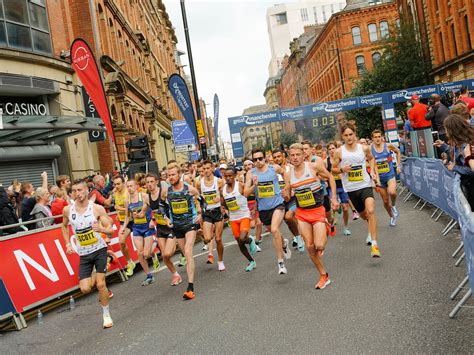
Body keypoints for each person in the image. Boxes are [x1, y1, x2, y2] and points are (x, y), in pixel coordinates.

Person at [284, 143, 339, 289]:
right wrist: (286, 193)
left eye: (298, 155)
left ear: (303, 155)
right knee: (310, 246)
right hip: (302, 213)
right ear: (289, 157)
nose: (295, 158)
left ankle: (327, 225)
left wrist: (333, 198)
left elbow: (331, 178)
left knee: (319, 245)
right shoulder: (288, 174)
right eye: (292, 155)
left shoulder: (313, 167)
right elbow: (287, 192)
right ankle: (323, 275)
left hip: (317, 210)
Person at [62, 180, 114, 328]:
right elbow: (63, 226)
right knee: (85, 289)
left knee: (100, 284)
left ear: (86, 191)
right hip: (84, 253)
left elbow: (110, 229)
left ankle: (106, 315)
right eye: (74, 191)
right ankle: (97, 272)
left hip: (99, 250)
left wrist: (102, 230)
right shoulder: (68, 210)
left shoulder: (97, 209)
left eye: (79, 190)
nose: (77, 193)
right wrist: (67, 243)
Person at [331, 121, 381, 257]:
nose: (349, 137)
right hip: (351, 189)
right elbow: (333, 170)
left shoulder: (364, 148)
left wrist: (373, 172)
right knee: (365, 216)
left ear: (355, 134)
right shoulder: (338, 152)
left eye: (351, 134)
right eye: (346, 135)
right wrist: (342, 169)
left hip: (365, 184)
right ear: (342, 136)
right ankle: (370, 229)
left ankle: (375, 244)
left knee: (370, 211)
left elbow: (371, 159)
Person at [244, 148, 291, 275]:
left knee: (275, 229)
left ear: (265, 158)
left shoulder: (273, 168)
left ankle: (280, 263)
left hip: (278, 204)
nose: (258, 161)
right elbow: (245, 193)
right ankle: (284, 244)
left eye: (260, 158)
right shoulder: (250, 173)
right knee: (275, 232)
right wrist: (254, 185)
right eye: (255, 159)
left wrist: (286, 187)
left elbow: (286, 173)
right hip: (264, 209)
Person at [162, 162, 202, 300]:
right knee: (184, 252)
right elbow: (161, 205)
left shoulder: (189, 189)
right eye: (168, 175)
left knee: (188, 250)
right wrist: (166, 218)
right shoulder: (166, 191)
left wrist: (200, 214)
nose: (171, 177)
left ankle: (190, 287)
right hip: (177, 226)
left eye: (173, 174)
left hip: (190, 224)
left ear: (179, 175)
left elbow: (202, 201)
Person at [146, 173, 182, 286]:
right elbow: (151, 210)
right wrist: (151, 219)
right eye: (147, 182)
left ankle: (179, 244)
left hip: (170, 226)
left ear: (156, 182)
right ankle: (176, 275)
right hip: (160, 229)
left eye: (152, 182)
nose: (150, 184)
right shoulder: (147, 197)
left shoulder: (163, 193)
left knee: (167, 253)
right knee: (165, 256)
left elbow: (171, 205)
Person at [222, 167, 258, 271]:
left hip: (244, 216)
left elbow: (249, 194)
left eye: (230, 176)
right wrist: (223, 208)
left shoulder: (240, 185)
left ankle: (250, 240)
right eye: (226, 176)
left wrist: (254, 185)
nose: (228, 178)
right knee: (240, 242)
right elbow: (225, 203)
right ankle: (251, 261)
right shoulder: (223, 189)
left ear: (234, 176)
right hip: (233, 218)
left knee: (243, 238)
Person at [122, 179, 156, 286]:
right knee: (139, 254)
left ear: (136, 186)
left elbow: (154, 208)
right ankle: (149, 276)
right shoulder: (127, 201)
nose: (129, 188)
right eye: (127, 186)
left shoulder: (144, 196)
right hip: (136, 228)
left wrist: (152, 219)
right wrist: (123, 227)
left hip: (147, 227)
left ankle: (155, 243)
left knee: (146, 254)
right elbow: (128, 216)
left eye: (131, 186)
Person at [272, 148, 303, 252]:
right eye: (275, 157)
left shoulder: (291, 168)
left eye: (279, 156)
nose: (277, 159)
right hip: (280, 201)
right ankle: (298, 237)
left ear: (284, 157)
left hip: (293, 197)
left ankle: (299, 236)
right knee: (288, 222)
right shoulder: (272, 171)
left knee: (289, 217)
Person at [198, 160, 226, 270]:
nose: (206, 171)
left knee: (218, 239)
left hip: (217, 211)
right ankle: (203, 236)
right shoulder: (199, 182)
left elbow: (225, 195)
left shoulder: (219, 181)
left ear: (212, 168)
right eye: (203, 169)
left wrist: (220, 198)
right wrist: (199, 208)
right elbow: (198, 196)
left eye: (208, 168)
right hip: (207, 213)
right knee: (208, 238)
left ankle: (220, 261)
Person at [370, 130, 401, 226]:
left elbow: (398, 151)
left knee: (392, 192)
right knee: (385, 201)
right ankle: (392, 216)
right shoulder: (370, 148)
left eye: (379, 136)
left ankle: (394, 205)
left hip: (390, 174)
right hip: (379, 178)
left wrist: (398, 166)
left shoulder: (387, 146)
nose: (377, 139)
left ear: (381, 137)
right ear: (372, 138)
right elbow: (370, 161)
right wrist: (372, 172)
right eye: (375, 137)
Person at [112, 175, 136, 277]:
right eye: (115, 184)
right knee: (121, 242)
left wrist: (120, 209)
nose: (116, 186)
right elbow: (116, 206)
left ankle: (153, 253)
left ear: (123, 183)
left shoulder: (128, 192)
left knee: (144, 247)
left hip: (135, 220)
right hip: (124, 222)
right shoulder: (115, 194)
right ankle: (130, 262)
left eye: (118, 184)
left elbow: (132, 208)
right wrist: (118, 214)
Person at [327, 142, 351, 236]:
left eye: (333, 148)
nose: (332, 150)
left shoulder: (341, 159)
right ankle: (333, 219)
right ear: (328, 151)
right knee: (334, 207)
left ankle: (346, 227)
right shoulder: (326, 161)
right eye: (330, 149)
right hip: (332, 187)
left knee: (345, 209)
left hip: (342, 185)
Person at [243, 159, 263, 249]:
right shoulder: (241, 177)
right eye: (246, 165)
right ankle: (253, 239)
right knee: (252, 225)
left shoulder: (257, 175)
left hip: (257, 201)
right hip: (247, 203)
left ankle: (257, 241)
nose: (248, 167)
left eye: (249, 165)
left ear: (253, 165)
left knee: (259, 223)